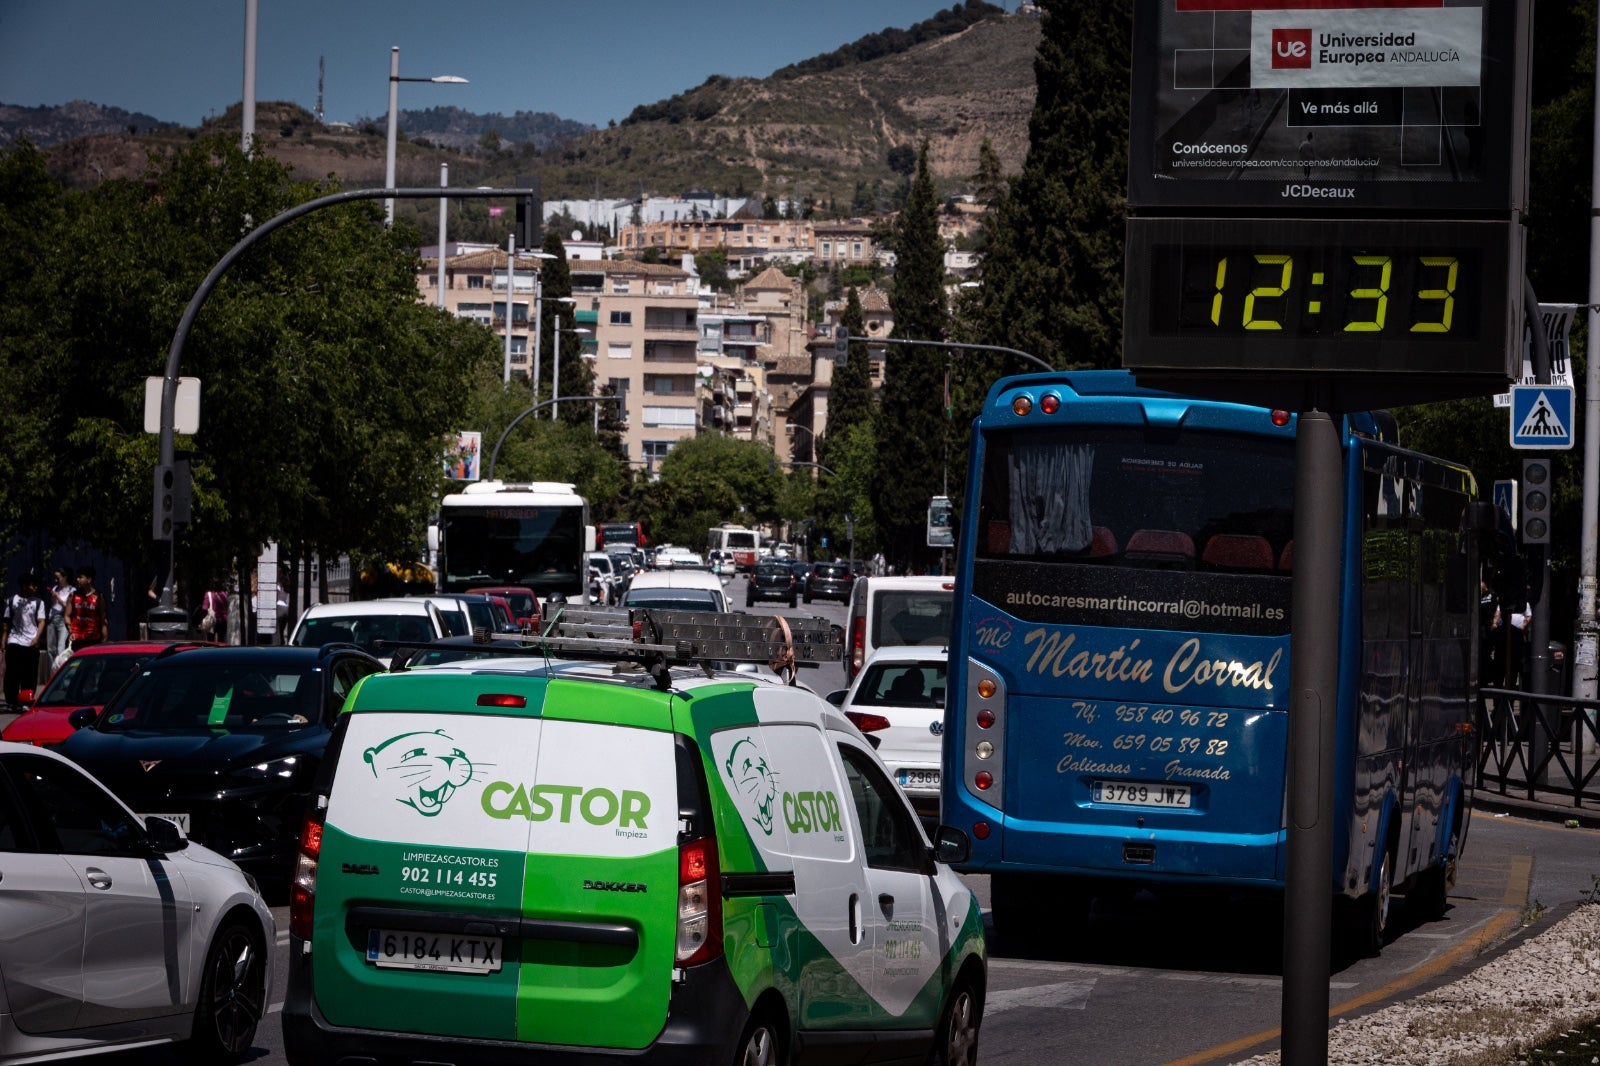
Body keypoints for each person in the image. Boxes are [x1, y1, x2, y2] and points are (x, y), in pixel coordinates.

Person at [3, 573, 44, 712]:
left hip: (31, 642)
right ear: (24, 586)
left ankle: (26, 700)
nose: (35, 588)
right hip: (14, 640)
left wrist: (37, 638)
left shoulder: (38, 602)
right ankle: (11, 701)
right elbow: (6, 622)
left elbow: (41, 621)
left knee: (29, 673)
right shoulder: (12, 601)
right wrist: (4, 641)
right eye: (32, 585)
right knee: (12, 673)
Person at [68, 565, 108, 649]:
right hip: (77, 638)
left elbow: (103, 619)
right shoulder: (73, 595)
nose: (77, 580)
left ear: (89, 579)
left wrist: (105, 637)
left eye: (80, 577)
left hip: (93, 638)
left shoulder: (99, 597)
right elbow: (66, 615)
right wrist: (70, 631)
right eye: (77, 577)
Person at [45, 567, 73, 664]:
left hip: (62, 619)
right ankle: (52, 672)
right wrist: (53, 598)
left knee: (60, 648)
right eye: (55, 578)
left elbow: (68, 608)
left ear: (65, 577)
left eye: (58, 578)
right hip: (52, 618)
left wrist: (58, 598)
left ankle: (60, 670)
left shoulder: (72, 590)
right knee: (50, 649)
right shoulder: (55, 588)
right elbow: (52, 605)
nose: (56, 580)